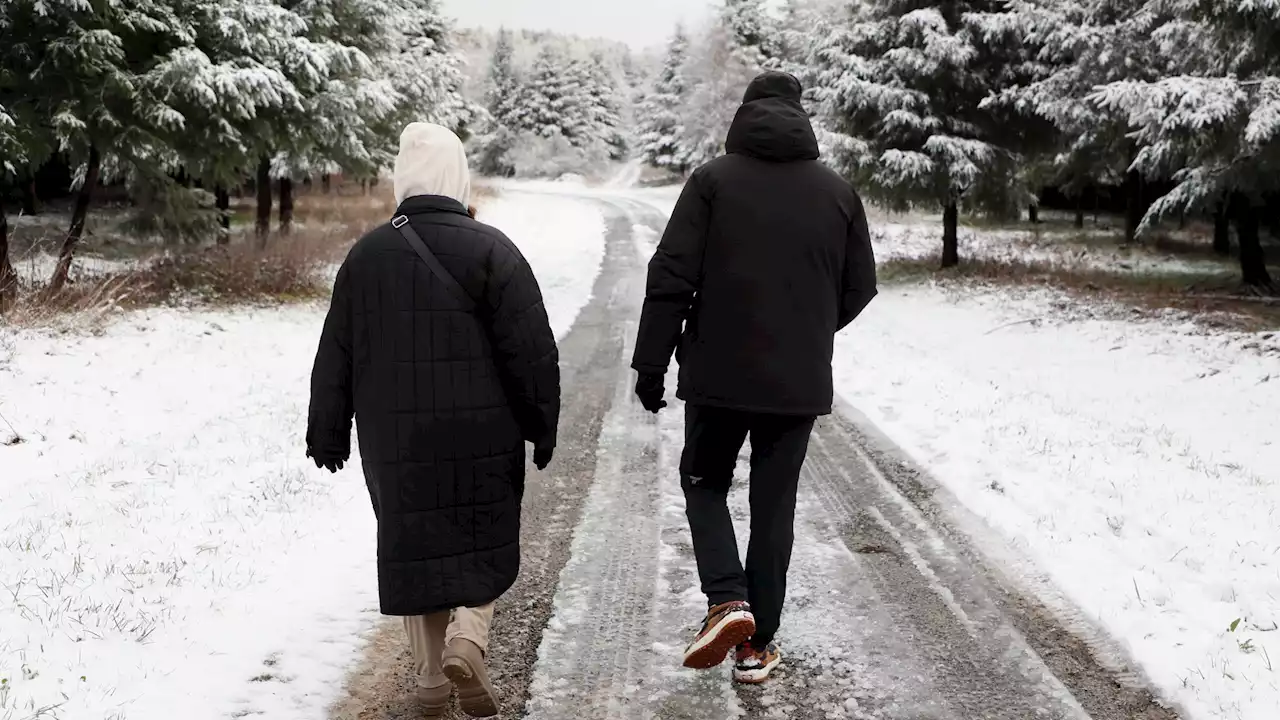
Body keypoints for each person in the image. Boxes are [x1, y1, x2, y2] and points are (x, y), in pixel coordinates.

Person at [631, 71, 878, 684]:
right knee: (774, 508)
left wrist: (651, 361)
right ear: (801, 116)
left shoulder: (711, 182)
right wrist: (808, 332)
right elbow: (859, 286)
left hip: (717, 373)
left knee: (704, 482)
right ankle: (756, 646)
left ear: (743, 116)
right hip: (796, 385)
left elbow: (671, 277)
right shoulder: (839, 193)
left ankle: (726, 599)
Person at [306, 122, 560, 717]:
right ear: (458, 177)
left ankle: (428, 682)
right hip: (482, 431)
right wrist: (540, 422)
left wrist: (327, 428)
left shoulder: (366, 256)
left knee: (419, 543)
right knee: (480, 534)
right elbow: (532, 351)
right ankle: (468, 639)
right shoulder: (493, 249)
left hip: (396, 436)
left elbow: (335, 352)